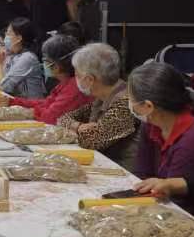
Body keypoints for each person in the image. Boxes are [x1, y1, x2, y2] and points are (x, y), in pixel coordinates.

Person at [129, 62, 194, 215]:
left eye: (131, 99)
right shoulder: (151, 125)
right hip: (158, 204)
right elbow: (141, 173)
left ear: (148, 106)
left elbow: (179, 202)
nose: (130, 104)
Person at [58, 43, 140, 171]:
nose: (75, 79)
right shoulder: (102, 98)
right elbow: (62, 118)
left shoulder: (125, 102)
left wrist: (71, 129)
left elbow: (91, 141)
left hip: (126, 173)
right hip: (105, 165)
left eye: (77, 75)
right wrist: (78, 126)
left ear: (89, 79)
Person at [0, 34, 92, 124]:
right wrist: (11, 101)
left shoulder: (74, 87)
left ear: (56, 65)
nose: (44, 63)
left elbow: (50, 117)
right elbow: (46, 103)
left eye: (45, 59)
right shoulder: (65, 82)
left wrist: (26, 112)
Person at [0, 17, 46, 98]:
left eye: (9, 34)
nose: (5, 38)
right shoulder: (12, 55)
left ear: (19, 38)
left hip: (30, 104)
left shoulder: (27, 58)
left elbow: (3, 88)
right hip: (16, 101)